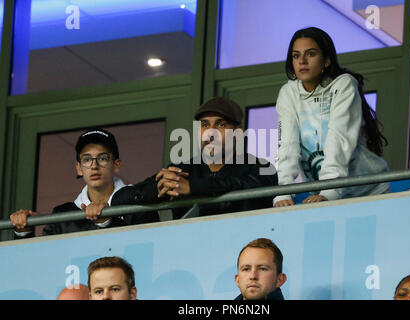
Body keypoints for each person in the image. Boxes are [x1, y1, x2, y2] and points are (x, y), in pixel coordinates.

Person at [273, 27, 390, 207]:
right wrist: (283, 191)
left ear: (326, 60)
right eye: (296, 56)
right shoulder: (288, 93)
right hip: (324, 194)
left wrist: (330, 189)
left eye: (310, 54)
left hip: (367, 191)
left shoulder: (343, 85)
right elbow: (287, 145)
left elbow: (339, 138)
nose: (302, 61)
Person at [112, 97, 278, 219]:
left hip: (243, 256)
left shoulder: (259, 167)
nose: (210, 133)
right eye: (204, 125)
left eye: (220, 124)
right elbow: (121, 197)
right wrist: (158, 189)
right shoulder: (183, 170)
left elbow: (242, 185)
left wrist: (193, 187)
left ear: (238, 132)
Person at [9, 128, 157, 238]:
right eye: (86, 159)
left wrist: (106, 222)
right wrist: (23, 232)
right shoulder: (63, 214)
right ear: (79, 168)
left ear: (117, 165)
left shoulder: (139, 205)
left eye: (103, 158)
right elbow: (47, 262)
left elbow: (146, 251)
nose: (94, 166)